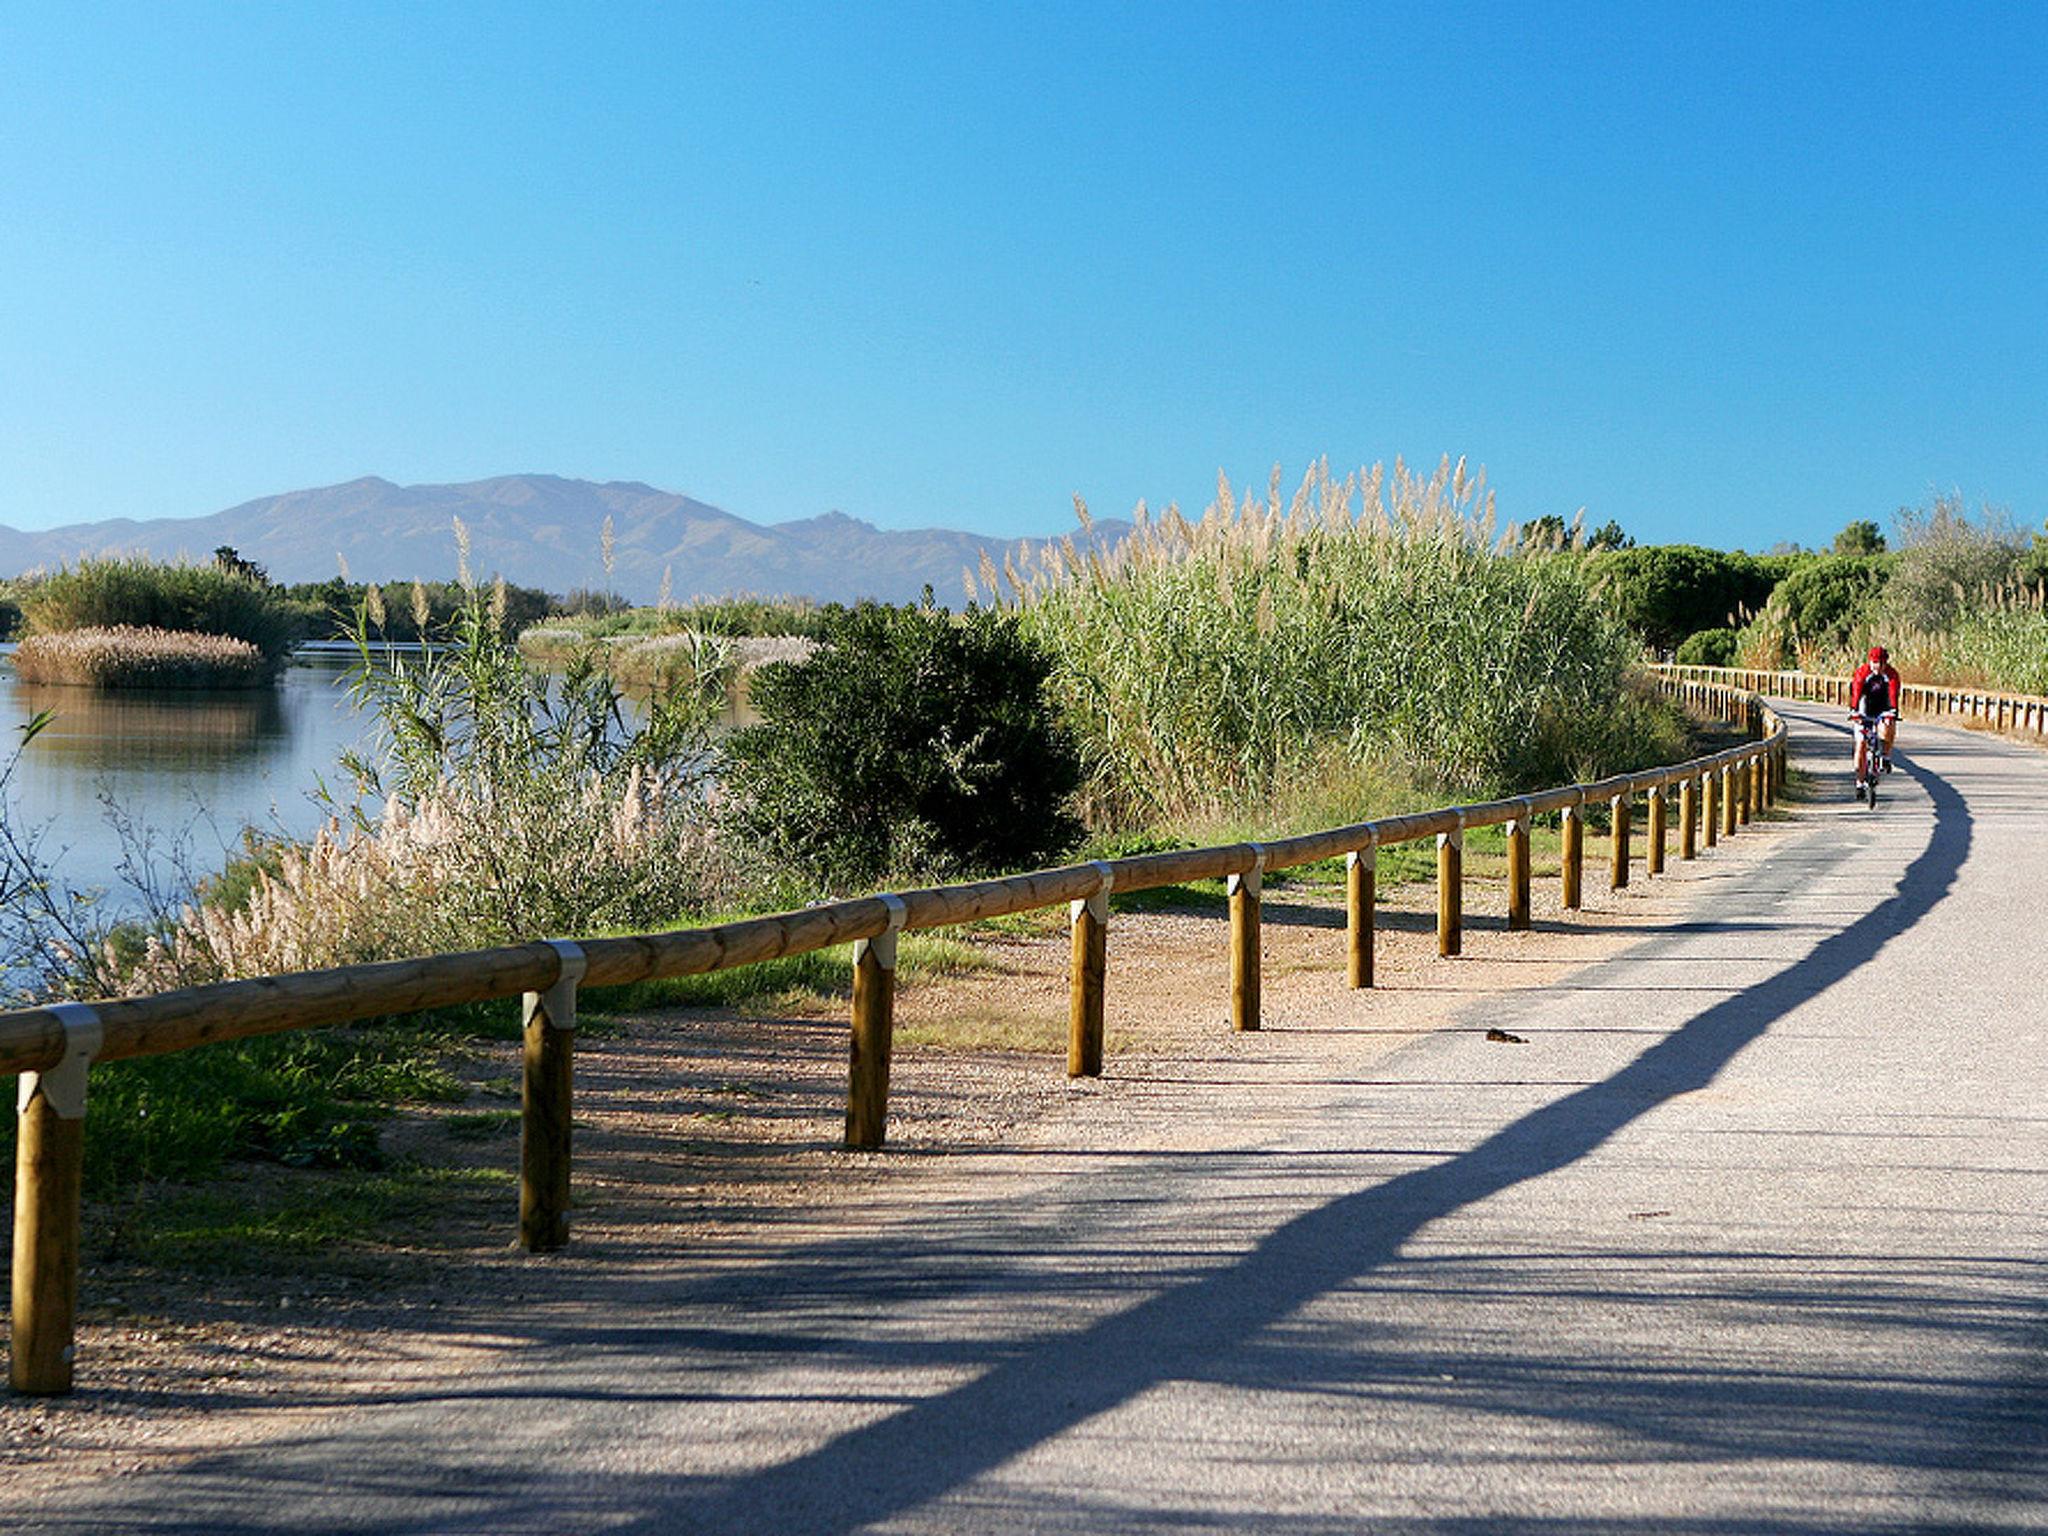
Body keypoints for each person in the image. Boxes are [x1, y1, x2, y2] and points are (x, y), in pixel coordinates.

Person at [1850, 644, 1900, 798]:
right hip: (1864, 709)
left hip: (1883, 708)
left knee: (1888, 724)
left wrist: (1893, 711)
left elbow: (1893, 694)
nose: (1877, 667)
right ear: (1870, 662)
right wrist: (1854, 712)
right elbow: (1856, 692)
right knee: (1861, 745)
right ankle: (1859, 783)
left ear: (1886, 663)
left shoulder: (1892, 674)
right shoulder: (1862, 673)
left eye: (1881, 664)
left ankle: (1885, 755)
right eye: (1874, 663)